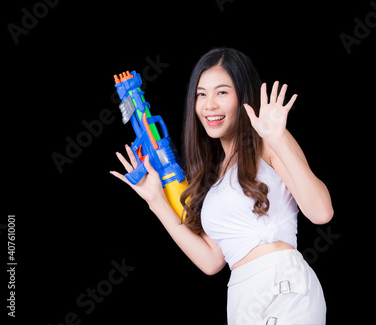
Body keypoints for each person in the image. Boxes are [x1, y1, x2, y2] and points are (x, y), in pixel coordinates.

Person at [110, 47, 334, 324]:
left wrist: (278, 139)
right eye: (201, 94)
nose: (209, 105)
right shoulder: (213, 177)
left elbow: (321, 212)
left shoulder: (267, 144)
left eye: (222, 92)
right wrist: (155, 200)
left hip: (283, 287)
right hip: (241, 298)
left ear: (243, 96)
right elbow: (212, 261)